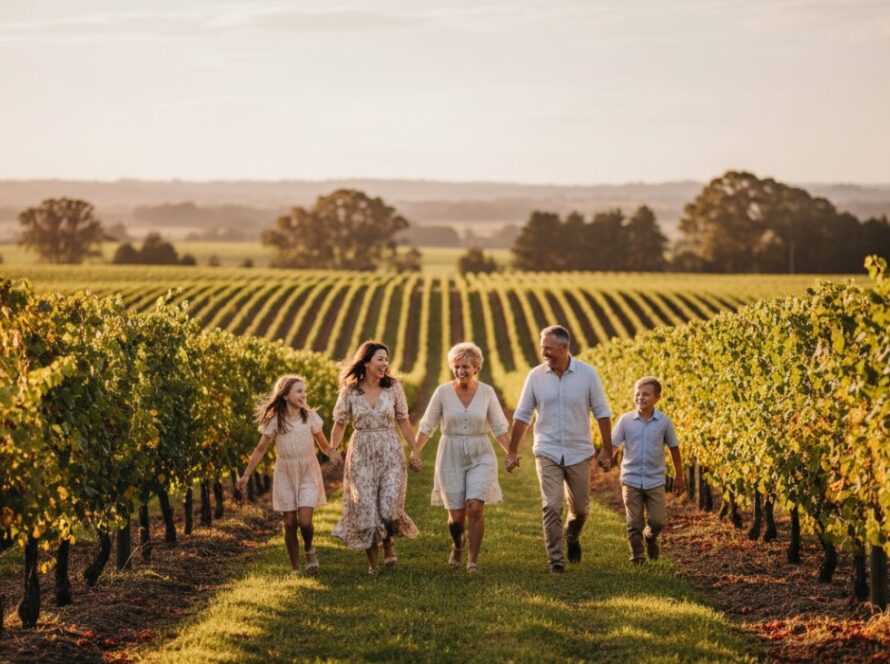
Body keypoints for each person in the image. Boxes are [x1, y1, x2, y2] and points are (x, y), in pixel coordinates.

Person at [506, 325, 614, 573]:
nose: (542, 352)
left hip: (578, 451)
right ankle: (556, 561)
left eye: (547, 348)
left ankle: (572, 537)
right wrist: (512, 451)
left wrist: (607, 450)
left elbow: (602, 413)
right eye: (542, 346)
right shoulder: (535, 376)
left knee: (580, 510)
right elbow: (522, 415)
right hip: (547, 449)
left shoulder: (588, 375)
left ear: (564, 348)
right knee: (551, 505)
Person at [415, 342, 511, 573]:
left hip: (481, 452)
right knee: (456, 517)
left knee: (475, 507)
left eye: (465, 366)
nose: (461, 371)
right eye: (457, 366)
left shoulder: (487, 392)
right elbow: (427, 425)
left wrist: (511, 453)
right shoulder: (442, 392)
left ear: (476, 367)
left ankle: (472, 561)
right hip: (451, 453)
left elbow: (498, 426)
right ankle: (458, 545)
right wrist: (415, 451)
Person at [329, 340, 421, 574]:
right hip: (361, 453)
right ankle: (373, 563)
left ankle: (388, 540)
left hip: (390, 450)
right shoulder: (350, 391)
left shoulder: (393, 388)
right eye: (380, 359)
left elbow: (403, 420)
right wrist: (332, 448)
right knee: (366, 509)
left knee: (390, 508)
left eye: (386, 360)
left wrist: (415, 450)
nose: (384, 364)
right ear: (366, 362)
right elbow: (340, 423)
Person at [238, 375, 341, 575]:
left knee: (304, 521)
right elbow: (260, 450)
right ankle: (295, 568)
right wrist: (246, 475)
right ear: (285, 395)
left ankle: (309, 548)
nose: (304, 395)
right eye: (299, 391)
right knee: (289, 523)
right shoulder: (275, 421)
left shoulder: (310, 417)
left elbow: (324, 446)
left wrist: (334, 454)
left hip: (308, 471)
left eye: (304, 391)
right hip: (285, 472)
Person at [612, 376, 685, 564]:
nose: (640, 397)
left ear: (657, 397)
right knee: (634, 523)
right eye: (637, 393)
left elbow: (674, 448)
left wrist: (679, 476)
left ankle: (650, 537)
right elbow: (613, 446)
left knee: (658, 521)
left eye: (646, 394)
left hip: (655, 480)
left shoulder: (664, 422)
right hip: (630, 479)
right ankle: (637, 558)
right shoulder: (625, 421)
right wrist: (606, 458)